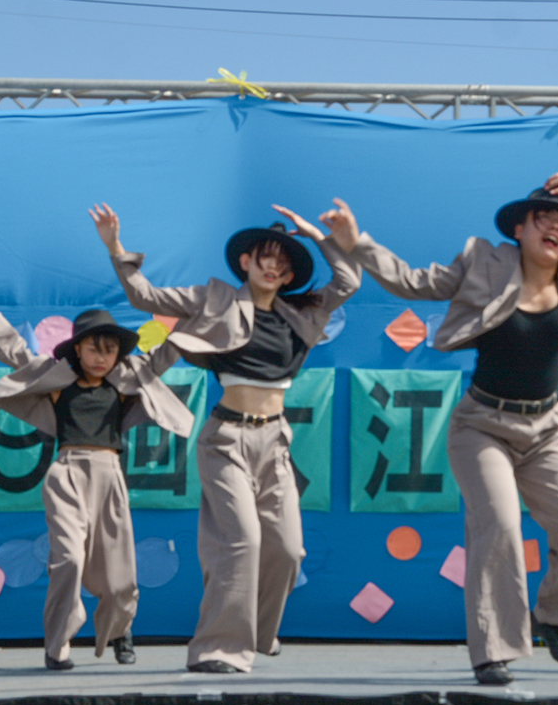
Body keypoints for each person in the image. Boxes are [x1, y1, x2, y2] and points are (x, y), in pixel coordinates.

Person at [327, 174, 558, 686]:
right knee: (498, 527)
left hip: (545, 430)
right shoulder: (484, 263)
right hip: (482, 426)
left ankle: (552, 617)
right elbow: (413, 282)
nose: (554, 228)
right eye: (542, 219)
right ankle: (493, 651)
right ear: (519, 229)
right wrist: (356, 242)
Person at [94, 202, 359, 674]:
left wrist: (317, 236)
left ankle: (257, 633)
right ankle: (217, 648)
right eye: (266, 257)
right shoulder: (213, 299)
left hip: (275, 442)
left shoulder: (301, 313)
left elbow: (348, 282)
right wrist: (116, 246)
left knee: (287, 550)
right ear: (245, 261)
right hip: (226, 440)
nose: (274, 267)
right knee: (242, 543)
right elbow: (144, 296)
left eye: (284, 262)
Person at [0, 269, 192, 670]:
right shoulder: (58, 381)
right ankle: (58, 643)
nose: (102, 357)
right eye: (93, 348)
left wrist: (194, 316)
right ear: (78, 350)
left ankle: (120, 630)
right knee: (67, 559)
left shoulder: (125, 382)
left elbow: (165, 355)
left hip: (109, 474)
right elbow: (14, 351)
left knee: (120, 569)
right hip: (68, 473)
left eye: (110, 349)